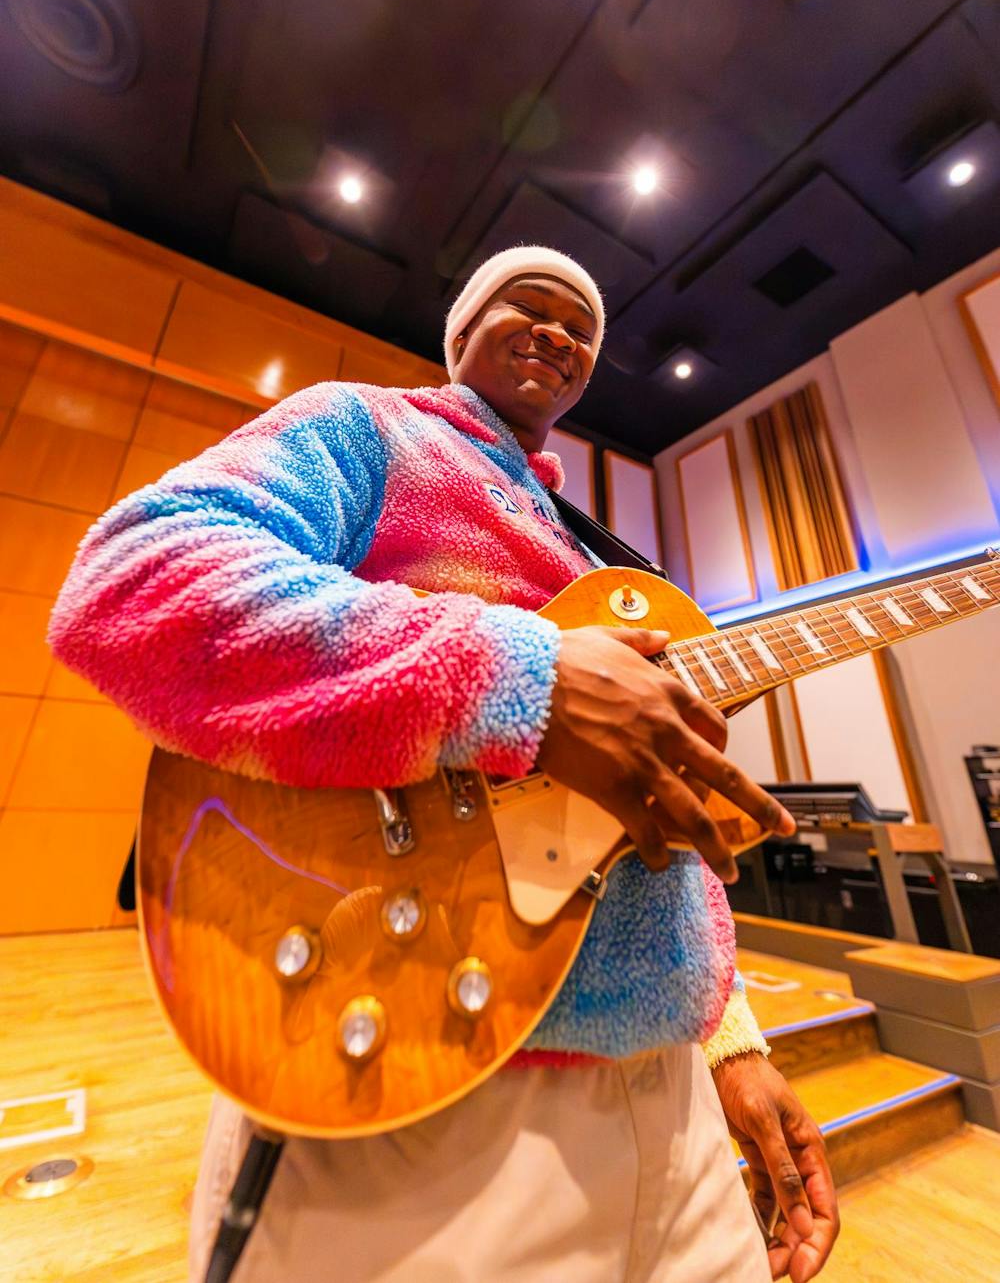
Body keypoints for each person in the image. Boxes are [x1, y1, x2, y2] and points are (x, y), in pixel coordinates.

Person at [49, 245, 839, 1282]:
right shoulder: (367, 428)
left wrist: (730, 1043)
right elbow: (137, 578)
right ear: (460, 329)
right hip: (413, 1077)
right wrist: (521, 678)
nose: (559, 332)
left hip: (676, 1104)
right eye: (529, 304)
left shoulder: (596, 557)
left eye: (582, 329)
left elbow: (638, 833)